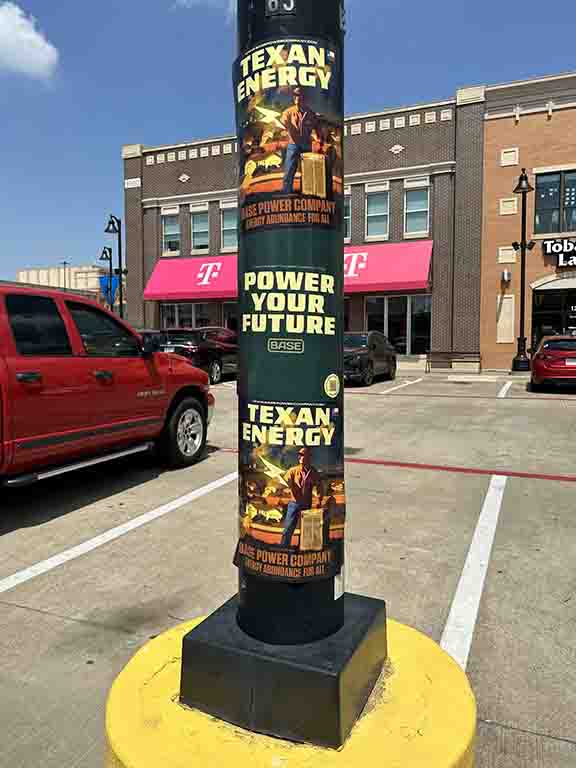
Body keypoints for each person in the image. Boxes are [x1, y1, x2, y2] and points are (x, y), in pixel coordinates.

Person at [280, 88, 323, 194]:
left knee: (308, 170)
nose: (297, 98)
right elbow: (282, 123)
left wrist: (319, 139)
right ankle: (286, 192)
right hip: (293, 144)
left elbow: (317, 128)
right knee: (289, 169)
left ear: (304, 98)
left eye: (299, 95)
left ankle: (307, 192)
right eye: (295, 95)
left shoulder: (311, 114)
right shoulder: (288, 112)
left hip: (306, 144)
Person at [280, 447, 324, 548]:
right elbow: (284, 480)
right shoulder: (292, 471)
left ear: (309, 457)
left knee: (307, 529)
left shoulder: (313, 472)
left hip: (306, 504)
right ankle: (283, 548)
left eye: (303, 455)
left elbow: (319, 487)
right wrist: (287, 483)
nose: (300, 457)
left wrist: (319, 500)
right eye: (299, 455)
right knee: (288, 529)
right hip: (294, 504)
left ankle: (304, 549)